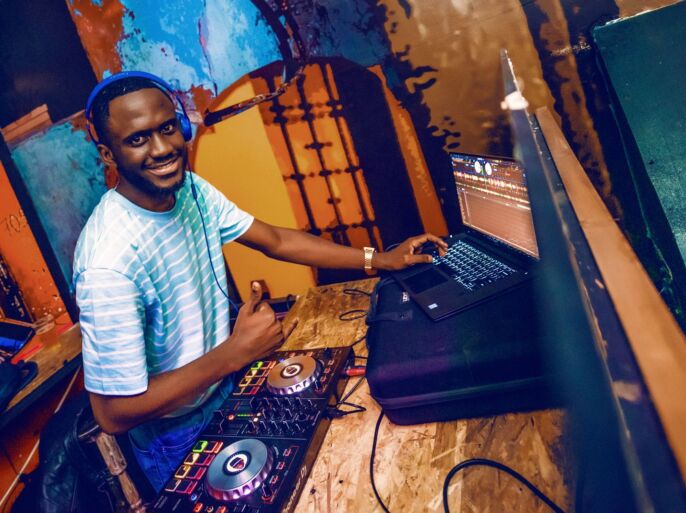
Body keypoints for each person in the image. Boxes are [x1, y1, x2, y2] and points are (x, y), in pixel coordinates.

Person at [72, 72, 447, 492]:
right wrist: (235, 353)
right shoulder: (108, 262)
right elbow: (112, 413)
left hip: (226, 390)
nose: (162, 149)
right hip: (175, 435)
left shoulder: (191, 190)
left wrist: (378, 259)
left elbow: (277, 240)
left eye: (167, 128)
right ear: (108, 154)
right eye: (138, 139)